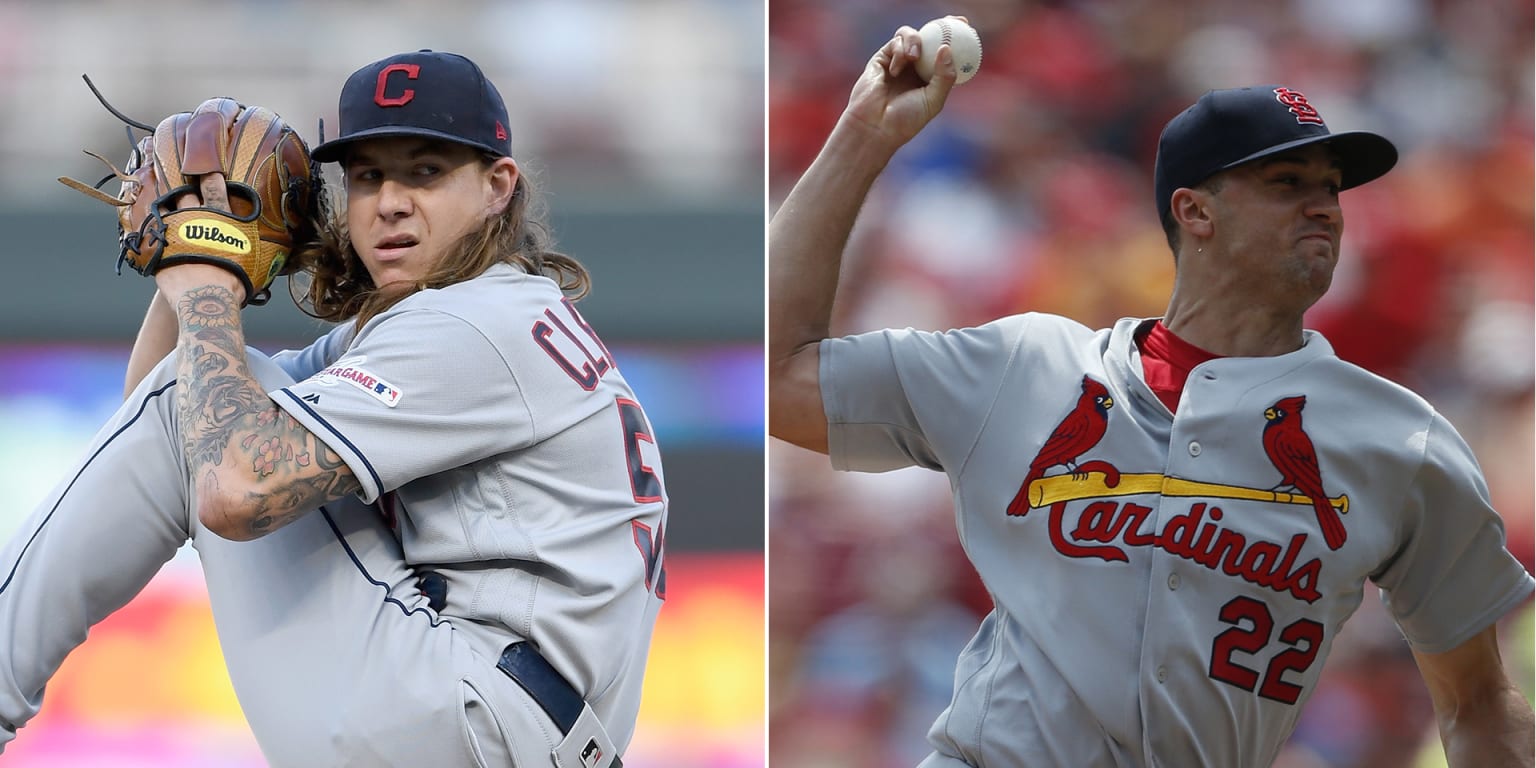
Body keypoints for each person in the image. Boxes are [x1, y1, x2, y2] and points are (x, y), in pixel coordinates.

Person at [768, 20, 1534, 768]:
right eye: (1286, 183)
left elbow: (1477, 704)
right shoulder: (1025, 366)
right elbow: (778, 378)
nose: (1324, 207)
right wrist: (865, 135)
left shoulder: (1402, 443)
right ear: (1194, 211)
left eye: (1330, 188)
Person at [0, 49, 665, 767]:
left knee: (232, 434)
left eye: (426, 171)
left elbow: (229, 485)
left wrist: (207, 281)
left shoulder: (467, 329)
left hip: (472, 713)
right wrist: (195, 268)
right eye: (369, 176)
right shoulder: (479, 315)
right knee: (220, 408)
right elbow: (179, 428)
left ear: (499, 185)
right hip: (510, 728)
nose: (390, 201)